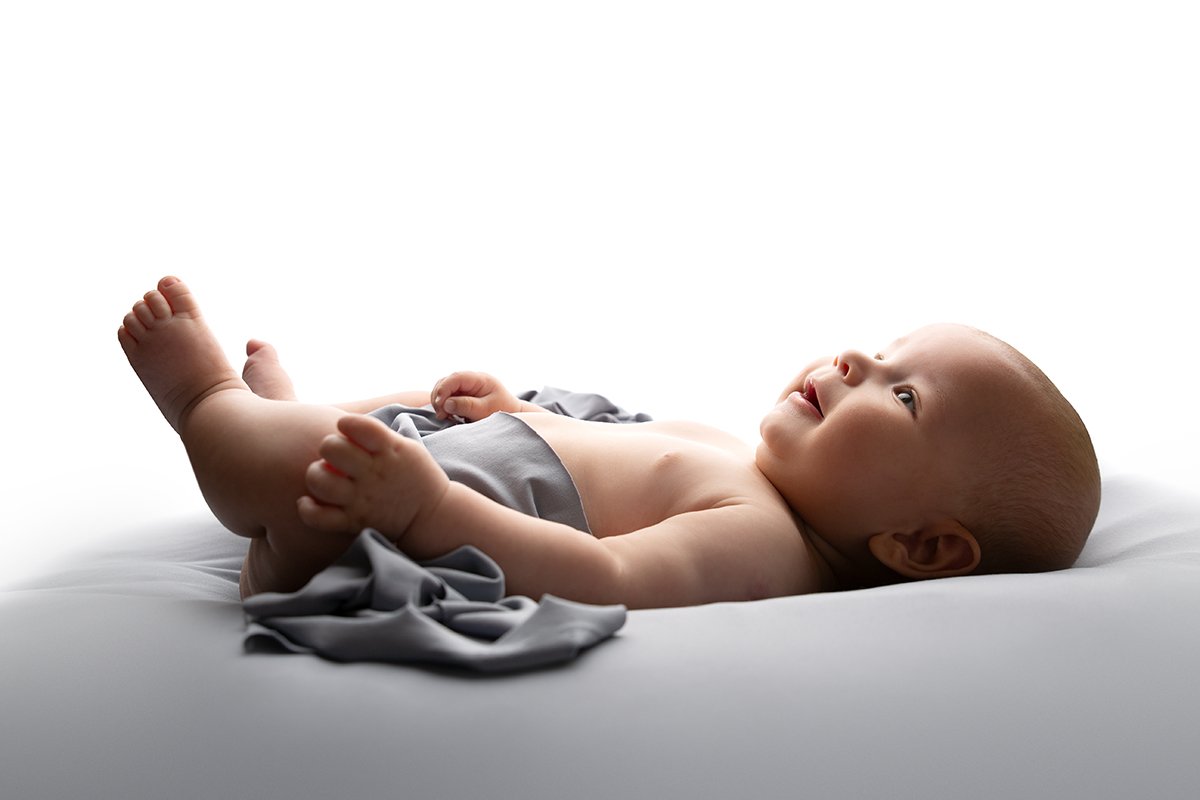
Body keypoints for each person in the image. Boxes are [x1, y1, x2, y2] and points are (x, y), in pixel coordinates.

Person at [118, 277, 1101, 608]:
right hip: (465, 460)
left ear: (922, 545)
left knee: (292, 468)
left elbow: (602, 574)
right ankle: (305, 454)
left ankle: (211, 404)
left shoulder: (765, 543)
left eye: (904, 393)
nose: (855, 357)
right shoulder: (751, 466)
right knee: (404, 411)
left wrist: (429, 508)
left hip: (442, 514)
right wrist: (525, 412)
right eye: (882, 347)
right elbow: (618, 449)